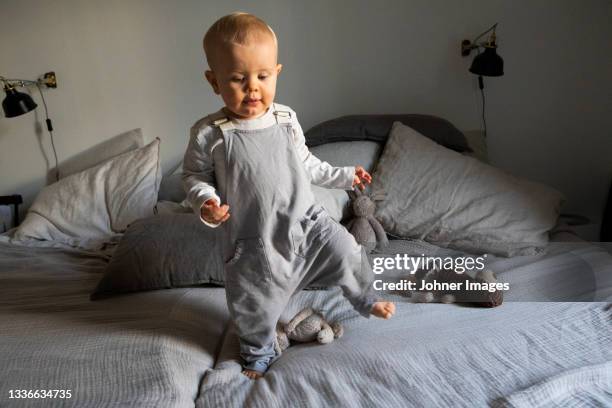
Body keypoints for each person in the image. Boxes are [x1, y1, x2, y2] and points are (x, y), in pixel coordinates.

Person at [182, 12, 395, 379]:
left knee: (347, 248)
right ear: (213, 81)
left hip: (305, 223)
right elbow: (194, 176)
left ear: (276, 72)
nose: (252, 88)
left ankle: (366, 297)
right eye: (237, 78)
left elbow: (307, 163)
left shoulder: (285, 118)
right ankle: (258, 353)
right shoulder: (210, 133)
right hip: (253, 239)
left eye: (262, 77)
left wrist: (345, 176)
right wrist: (206, 202)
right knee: (252, 304)